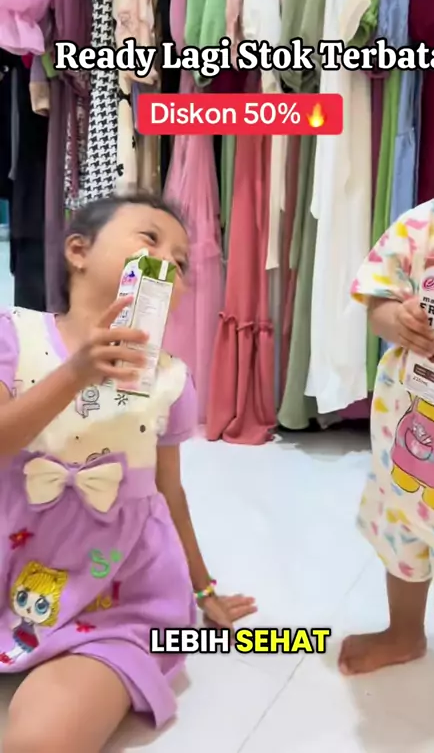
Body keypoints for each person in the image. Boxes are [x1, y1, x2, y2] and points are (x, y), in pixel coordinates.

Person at [0, 193, 256, 753]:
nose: (168, 263)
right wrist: (76, 373)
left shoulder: (171, 380)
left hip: (117, 596)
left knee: (43, 741)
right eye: (150, 240)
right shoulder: (13, 335)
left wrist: (204, 589)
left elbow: (169, 492)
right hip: (10, 559)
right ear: (78, 252)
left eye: (181, 262)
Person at [339, 44, 434, 753]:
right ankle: (404, 631)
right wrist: (392, 318)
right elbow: (376, 296)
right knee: (401, 539)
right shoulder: (428, 222)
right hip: (405, 451)